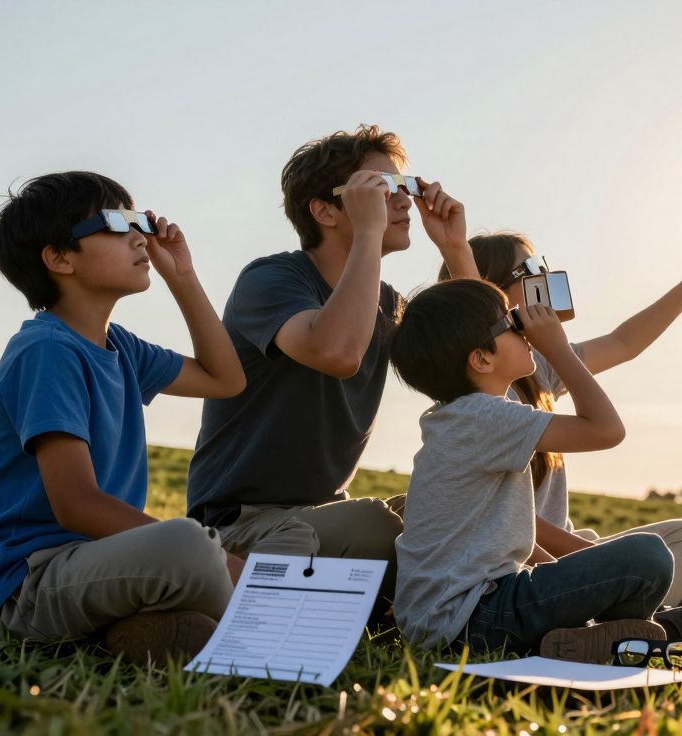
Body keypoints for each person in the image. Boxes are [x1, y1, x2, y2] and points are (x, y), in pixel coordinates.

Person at [186, 126, 479, 619]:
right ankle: (224, 590)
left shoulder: (386, 304)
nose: (404, 203)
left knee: (453, 510)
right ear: (325, 210)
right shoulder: (271, 279)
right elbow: (337, 352)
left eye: (404, 188)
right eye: (382, 190)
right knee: (375, 527)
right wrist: (368, 232)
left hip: (324, 517)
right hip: (242, 524)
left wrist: (455, 248)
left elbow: (478, 363)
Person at [0, 172, 248, 664]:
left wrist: (181, 278)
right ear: (59, 258)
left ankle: (128, 635)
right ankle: (260, 621)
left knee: (190, 550)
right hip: (35, 582)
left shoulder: (120, 346)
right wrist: (219, 561)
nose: (140, 236)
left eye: (139, 221)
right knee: (188, 546)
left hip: (100, 564)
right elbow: (76, 505)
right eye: (117, 225)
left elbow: (225, 380)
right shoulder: (47, 350)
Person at [389, 280, 682, 662]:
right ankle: (620, 636)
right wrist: (556, 348)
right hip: (474, 619)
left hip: (460, 617)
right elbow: (607, 430)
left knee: (636, 560)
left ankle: (597, 638)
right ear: (481, 359)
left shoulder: (461, 418)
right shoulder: (483, 417)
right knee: (649, 557)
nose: (523, 327)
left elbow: (512, 540)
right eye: (509, 322)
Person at [436, 232, 682, 623]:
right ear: (493, 294)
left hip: (566, 550)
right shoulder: (482, 399)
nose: (547, 276)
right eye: (531, 270)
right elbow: (511, 524)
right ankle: (646, 617)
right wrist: (587, 556)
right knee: (641, 560)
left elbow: (624, 342)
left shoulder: (535, 368)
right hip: (520, 563)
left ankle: (647, 613)